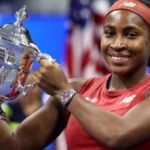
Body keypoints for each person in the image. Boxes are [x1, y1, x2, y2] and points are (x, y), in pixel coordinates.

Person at [32, 0, 150, 149]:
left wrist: (64, 92)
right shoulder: (78, 89)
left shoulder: (68, 93)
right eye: (109, 33)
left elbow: (116, 135)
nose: (117, 44)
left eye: (131, 35)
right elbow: (15, 144)